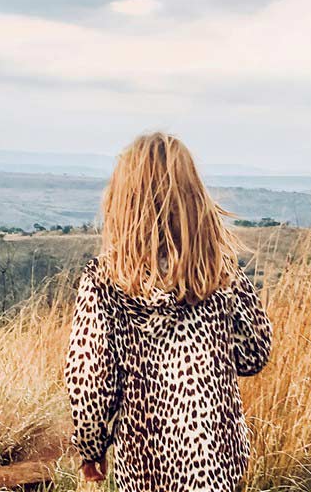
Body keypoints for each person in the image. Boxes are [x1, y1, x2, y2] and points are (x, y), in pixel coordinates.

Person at [64, 132, 273, 492]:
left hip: (146, 469)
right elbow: (254, 355)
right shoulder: (219, 272)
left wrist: (91, 448)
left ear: (122, 202)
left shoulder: (104, 281)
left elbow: (89, 386)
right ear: (193, 199)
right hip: (219, 465)